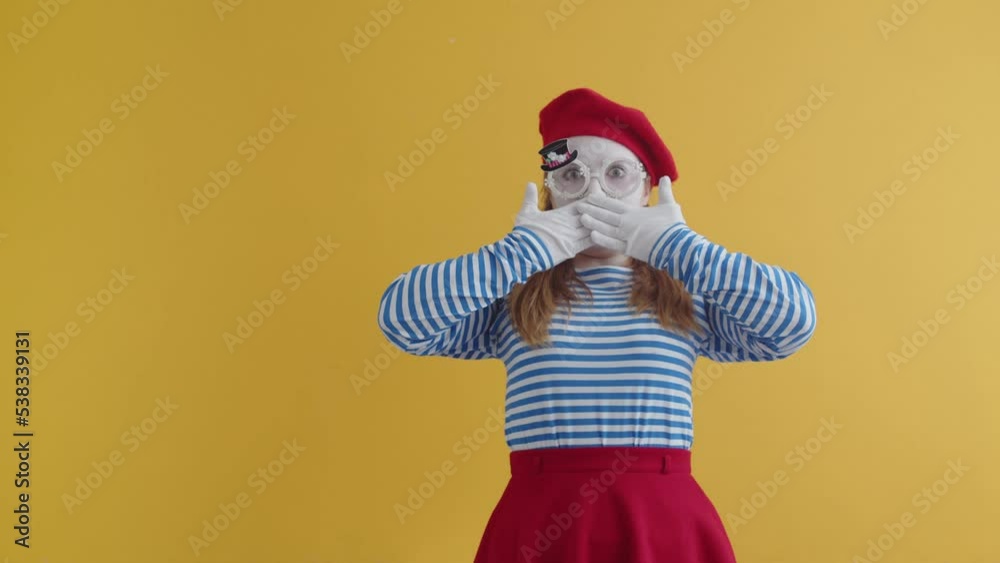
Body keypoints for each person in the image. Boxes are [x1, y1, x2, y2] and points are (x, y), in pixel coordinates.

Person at [376, 88, 818, 563]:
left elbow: (793, 325)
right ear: (551, 190)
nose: (594, 194)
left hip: (663, 523)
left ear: (647, 190)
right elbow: (401, 321)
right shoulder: (513, 293)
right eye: (572, 175)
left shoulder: (685, 294)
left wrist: (681, 247)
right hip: (540, 523)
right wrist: (518, 254)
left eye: (617, 173)